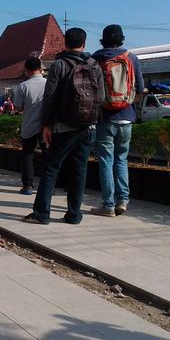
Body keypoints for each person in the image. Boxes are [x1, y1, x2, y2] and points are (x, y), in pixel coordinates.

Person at [22, 27, 103, 225]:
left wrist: (46, 125)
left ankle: (42, 213)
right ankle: (74, 214)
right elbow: (101, 97)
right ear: (84, 44)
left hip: (63, 127)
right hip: (87, 127)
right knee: (79, 171)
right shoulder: (95, 66)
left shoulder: (59, 65)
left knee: (51, 169)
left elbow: (49, 98)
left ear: (65, 43)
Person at [90, 24, 145, 217]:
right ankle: (123, 200)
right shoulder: (132, 57)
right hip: (127, 117)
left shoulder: (96, 58)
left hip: (105, 117)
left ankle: (108, 205)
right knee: (121, 160)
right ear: (121, 39)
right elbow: (140, 87)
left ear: (103, 39)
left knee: (106, 160)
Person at [13, 57, 46, 195]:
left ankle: (28, 186)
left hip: (29, 125)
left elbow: (18, 108)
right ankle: (47, 186)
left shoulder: (23, 86)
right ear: (41, 69)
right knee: (47, 156)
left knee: (28, 155)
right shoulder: (49, 83)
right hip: (46, 127)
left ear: (26, 70)